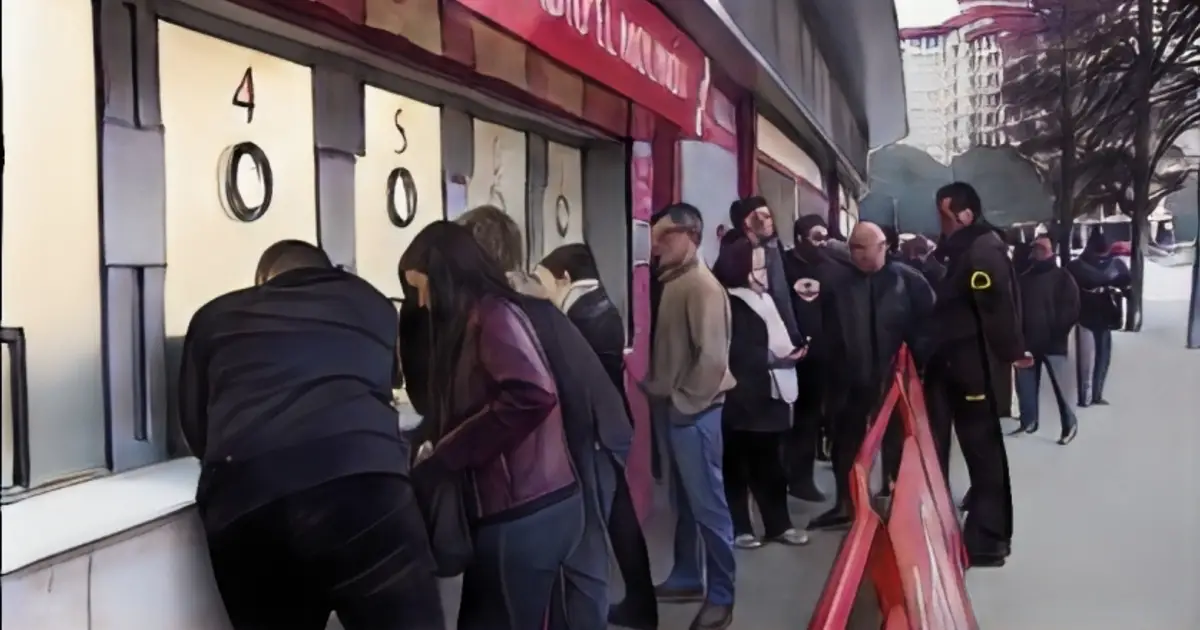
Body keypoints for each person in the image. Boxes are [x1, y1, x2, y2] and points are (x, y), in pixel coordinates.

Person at [177, 240, 443, 630]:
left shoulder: (214, 316)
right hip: (362, 487)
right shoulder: (371, 302)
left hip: (247, 501)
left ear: (263, 281)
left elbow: (197, 429)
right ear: (330, 271)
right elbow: (387, 382)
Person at [399, 222, 584, 630]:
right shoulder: (482, 316)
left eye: (423, 287)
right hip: (533, 504)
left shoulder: (493, 315)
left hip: (523, 510)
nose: (423, 302)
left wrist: (448, 455)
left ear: (446, 276)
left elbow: (532, 394)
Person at [535, 243, 658, 630]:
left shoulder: (579, 316)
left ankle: (626, 606)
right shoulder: (601, 304)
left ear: (564, 278)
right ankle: (641, 604)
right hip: (610, 424)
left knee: (605, 522)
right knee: (617, 515)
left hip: (597, 430)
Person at [643, 202, 737, 630]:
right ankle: (686, 576)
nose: (657, 246)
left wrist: (682, 402)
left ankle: (721, 595)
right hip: (683, 410)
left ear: (691, 235)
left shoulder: (700, 286)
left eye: (666, 236)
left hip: (694, 414)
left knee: (709, 508)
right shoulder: (679, 281)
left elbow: (713, 360)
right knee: (685, 503)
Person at [926, 182, 1029, 567]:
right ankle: (982, 528)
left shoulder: (983, 250)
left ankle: (990, 538)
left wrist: (1012, 355)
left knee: (983, 452)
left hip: (974, 371)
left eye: (946, 215)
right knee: (976, 450)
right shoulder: (962, 250)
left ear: (966, 215)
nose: (942, 222)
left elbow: (997, 309)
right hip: (957, 366)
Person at [809, 223, 935, 530]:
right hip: (848, 379)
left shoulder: (908, 282)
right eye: (856, 248)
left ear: (885, 247)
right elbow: (824, 331)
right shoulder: (837, 284)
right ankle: (846, 502)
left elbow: (929, 327)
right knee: (845, 442)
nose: (862, 255)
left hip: (895, 380)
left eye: (869, 248)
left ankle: (895, 498)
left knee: (897, 440)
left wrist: (919, 363)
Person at [712, 237, 811, 548]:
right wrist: (773, 358)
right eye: (757, 266)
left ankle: (778, 524)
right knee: (737, 463)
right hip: (742, 395)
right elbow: (732, 350)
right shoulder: (725, 300)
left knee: (771, 464)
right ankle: (740, 525)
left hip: (773, 392)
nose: (764, 272)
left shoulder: (765, 297)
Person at [780, 215, 838, 501]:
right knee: (778, 420)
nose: (822, 243)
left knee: (809, 418)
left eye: (825, 237)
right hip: (785, 353)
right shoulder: (782, 265)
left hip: (819, 356)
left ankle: (802, 479)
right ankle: (777, 477)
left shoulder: (829, 268)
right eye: (816, 237)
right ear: (801, 237)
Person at [1013, 235, 1080, 444]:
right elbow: (1016, 309)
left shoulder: (1063, 278)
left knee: (1062, 389)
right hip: (1027, 343)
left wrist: (1057, 332)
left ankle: (1069, 424)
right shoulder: (1024, 278)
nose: (1038, 251)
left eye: (1043, 247)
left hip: (1054, 344)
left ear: (1052, 251)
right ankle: (1028, 423)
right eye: (1036, 247)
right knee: (1025, 387)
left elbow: (1071, 309)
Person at [723, 196, 805, 345]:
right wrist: (794, 335)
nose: (766, 222)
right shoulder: (767, 248)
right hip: (764, 324)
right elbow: (780, 292)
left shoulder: (730, 245)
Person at [1067, 230, 1130, 407]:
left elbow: (1127, 285)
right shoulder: (1078, 266)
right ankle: (1087, 395)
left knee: (1099, 356)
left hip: (1101, 313)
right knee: (1090, 358)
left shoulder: (1113, 264)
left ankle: (1093, 394)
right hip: (1087, 314)